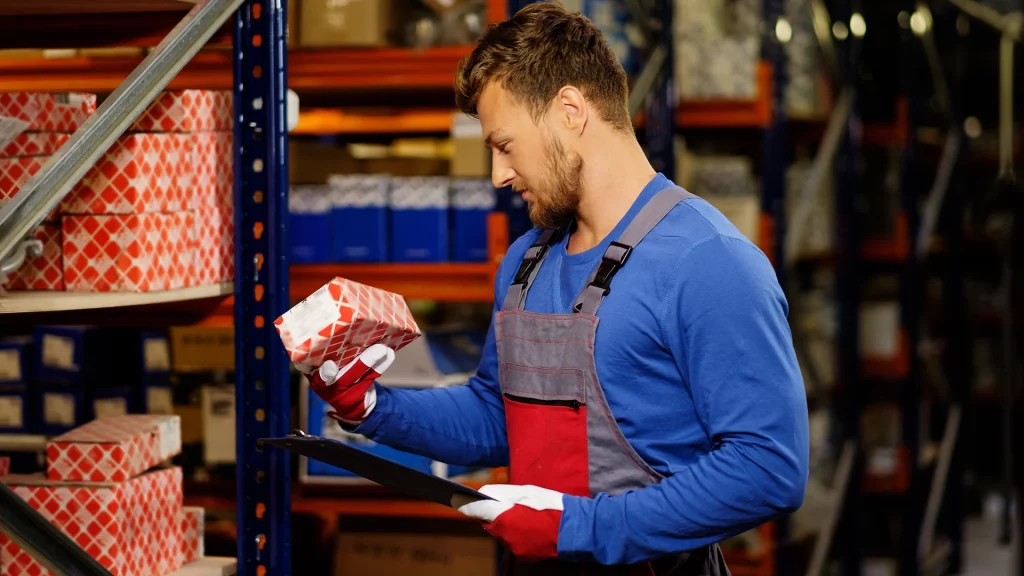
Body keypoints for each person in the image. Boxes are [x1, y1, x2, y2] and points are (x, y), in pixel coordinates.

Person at [304, 2, 809, 574]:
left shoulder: (708, 262)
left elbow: (768, 468)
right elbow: (498, 416)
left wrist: (582, 527)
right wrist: (371, 407)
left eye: (505, 144)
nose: (498, 174)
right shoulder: (526, 262)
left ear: (570, 110)